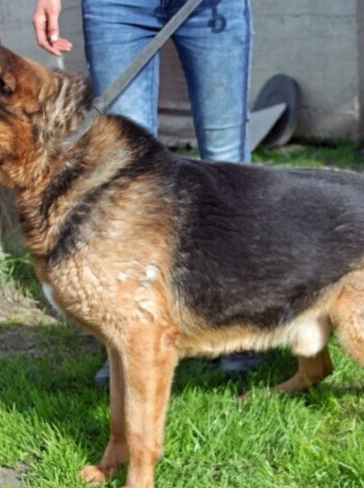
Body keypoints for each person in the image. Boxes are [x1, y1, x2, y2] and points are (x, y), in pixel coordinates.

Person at [32, 0, 261, 387]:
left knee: (226, 159)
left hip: (210, 8)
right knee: (123, 170)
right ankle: (126, 332)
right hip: (116, 6)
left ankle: (236, 322)